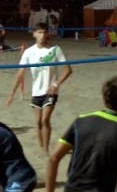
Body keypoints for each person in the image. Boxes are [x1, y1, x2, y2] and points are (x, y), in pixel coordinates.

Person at [7, 22, 73, 154]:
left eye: (44, 32)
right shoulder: (28, 52)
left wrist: (56, 84)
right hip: (36, 91)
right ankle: (41, 146)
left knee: (45, 120)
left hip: (50, 91)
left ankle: (45, 149)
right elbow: (20, 74)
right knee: (37, 122)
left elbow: (68, 70)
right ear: (34, 34)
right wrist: (12, 93)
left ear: (48, 34)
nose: (42, 35)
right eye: (40, 32)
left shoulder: (54, 50)